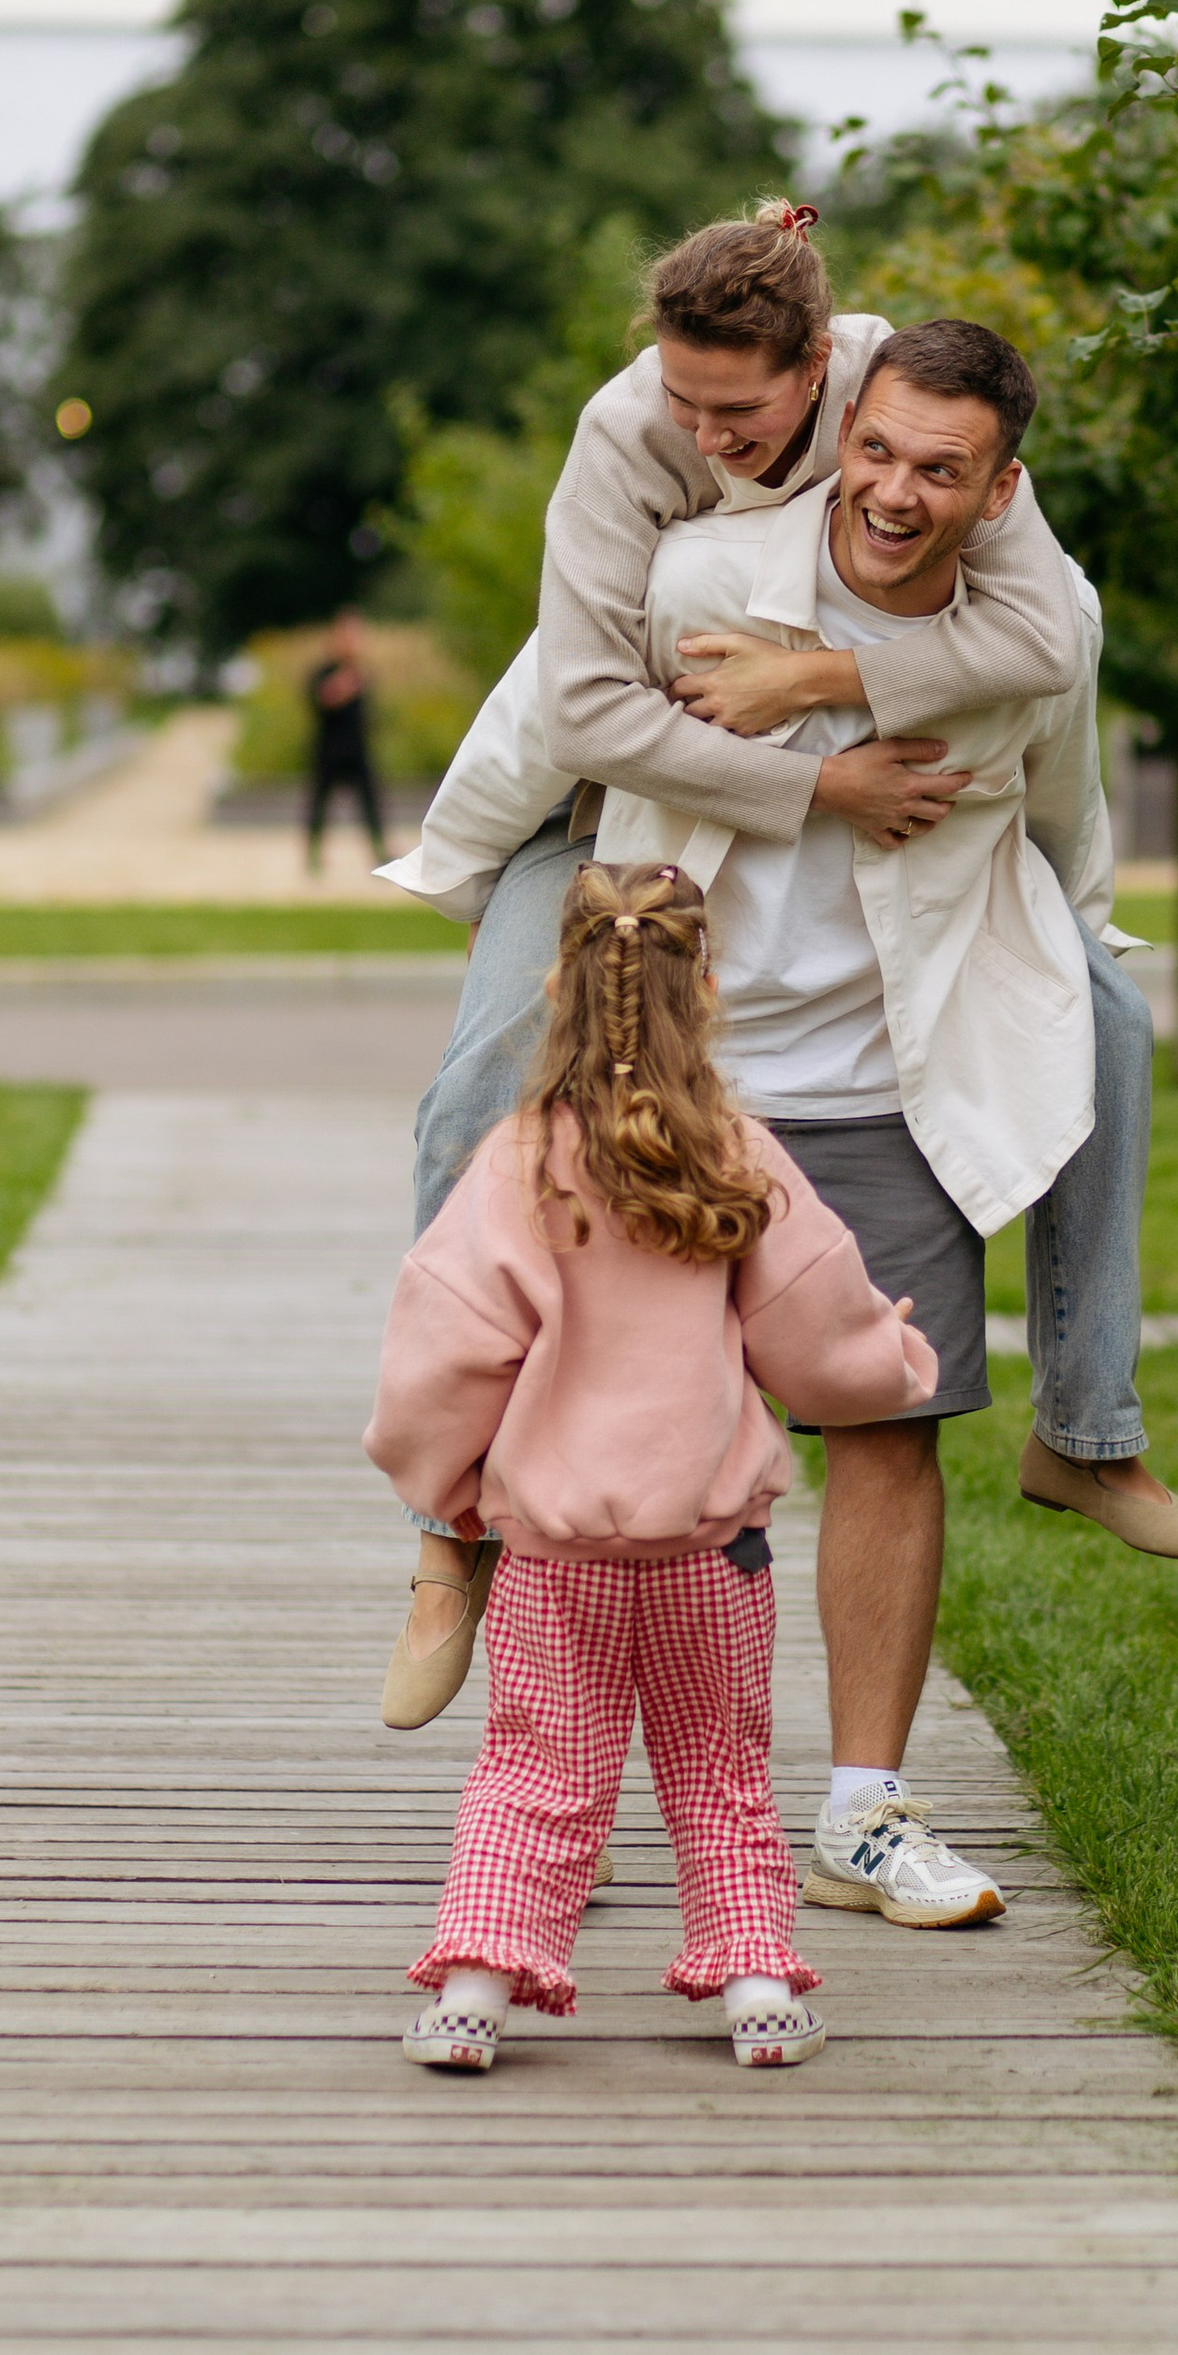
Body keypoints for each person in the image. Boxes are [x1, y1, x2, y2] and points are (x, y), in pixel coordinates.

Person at [377, 214, 1178, 1752]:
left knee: (1107, 1017)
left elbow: (1044, 635)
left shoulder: (910, 406)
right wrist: (825, 784)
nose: (705, 435)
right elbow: (587, 714)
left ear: (820, 371)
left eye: (740, 414)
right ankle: (454, 1520)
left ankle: (1089, 1430)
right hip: (595, 804)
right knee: (471, 1099)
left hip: (780, 744)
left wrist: (823, 685)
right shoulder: (628, 437)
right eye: (684, 403)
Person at [365, 862, 936, 2072]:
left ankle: (472, 1991)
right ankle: (757, 1987)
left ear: (555, 991)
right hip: (709, 1552)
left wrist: (449, 1485)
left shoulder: (518, 1166)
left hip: (553, 1556)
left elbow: (444, 1353)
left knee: (535, 1769)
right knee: (719, 1772)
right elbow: (817, 1335)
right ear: (709, 992)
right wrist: (893, 1357)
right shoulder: (735, 1157)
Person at [304, 609, 390, 870]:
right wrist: (345, 684)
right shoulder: (325, 672)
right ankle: (313, 854)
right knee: (320, 803)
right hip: (329, 748)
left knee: (370, 802)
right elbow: (321, 699)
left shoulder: (362, 672)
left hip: (357, 748)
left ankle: (379, 850)